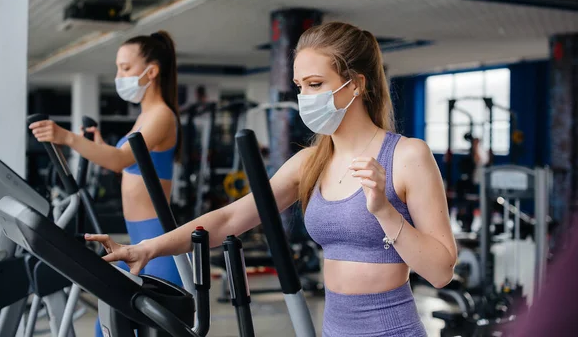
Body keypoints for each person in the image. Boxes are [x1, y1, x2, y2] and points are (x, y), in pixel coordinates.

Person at [85, 22, 457, 336]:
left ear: (355, 84)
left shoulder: (407, 156)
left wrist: (384, 211)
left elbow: (441, 271)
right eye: (299, 86)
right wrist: (148, 248)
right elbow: (230, 218)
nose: (304, 97)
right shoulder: (310, 162)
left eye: (315, 84)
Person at [29, 30, 183, 337]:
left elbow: (121, 160)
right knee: (108, 327)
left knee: (121, 327)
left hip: (157, 248)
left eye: (125, 68)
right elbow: (126, 165)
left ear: (151, 72)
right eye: (118, 68)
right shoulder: (145, 116)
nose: (119, 75)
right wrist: (99, 146)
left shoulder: (161, 116)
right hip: (137, 241)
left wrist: (67, 137)